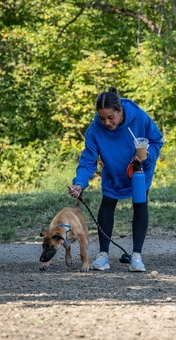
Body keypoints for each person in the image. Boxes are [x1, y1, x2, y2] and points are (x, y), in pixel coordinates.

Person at [68, 87, 163, 272]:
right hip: (112, 171)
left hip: (138, 169)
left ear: (120, 111)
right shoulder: (95, 130)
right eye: (102, 118)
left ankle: (137, 255)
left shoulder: (140, 117)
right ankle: (103, 255)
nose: (107, 122)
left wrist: (147, 155)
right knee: (107, 204)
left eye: (111, 117)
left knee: (140, 204)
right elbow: (88, 160)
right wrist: (79, 183)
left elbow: (156, 140)